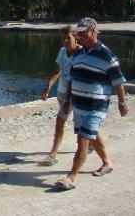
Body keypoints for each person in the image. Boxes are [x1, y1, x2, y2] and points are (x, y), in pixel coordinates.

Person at [55, 18, 128, 190]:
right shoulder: (79, 54)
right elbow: (71, 80)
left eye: (83, 33)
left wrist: (122, 102)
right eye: (78, 33)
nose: (79, 36)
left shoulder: (106, 55)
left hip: (96, 107)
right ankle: (107, 162)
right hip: (79, 106)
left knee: (83, 140)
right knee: (92, 135)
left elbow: (118, 81)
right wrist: (66, 101)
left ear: (94, 32)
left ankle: (71, 178)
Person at [40, 25, 81, 165]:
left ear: (76, 37)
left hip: (77, 94)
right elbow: (58, 70)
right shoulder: (62, 51)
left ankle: (53, 154)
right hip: (62, 93)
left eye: (67, 38)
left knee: (70, 122)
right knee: (62, 122)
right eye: (63, 38)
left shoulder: (82, 53)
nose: (65, 41)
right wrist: (48, 86)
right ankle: (54, 154)